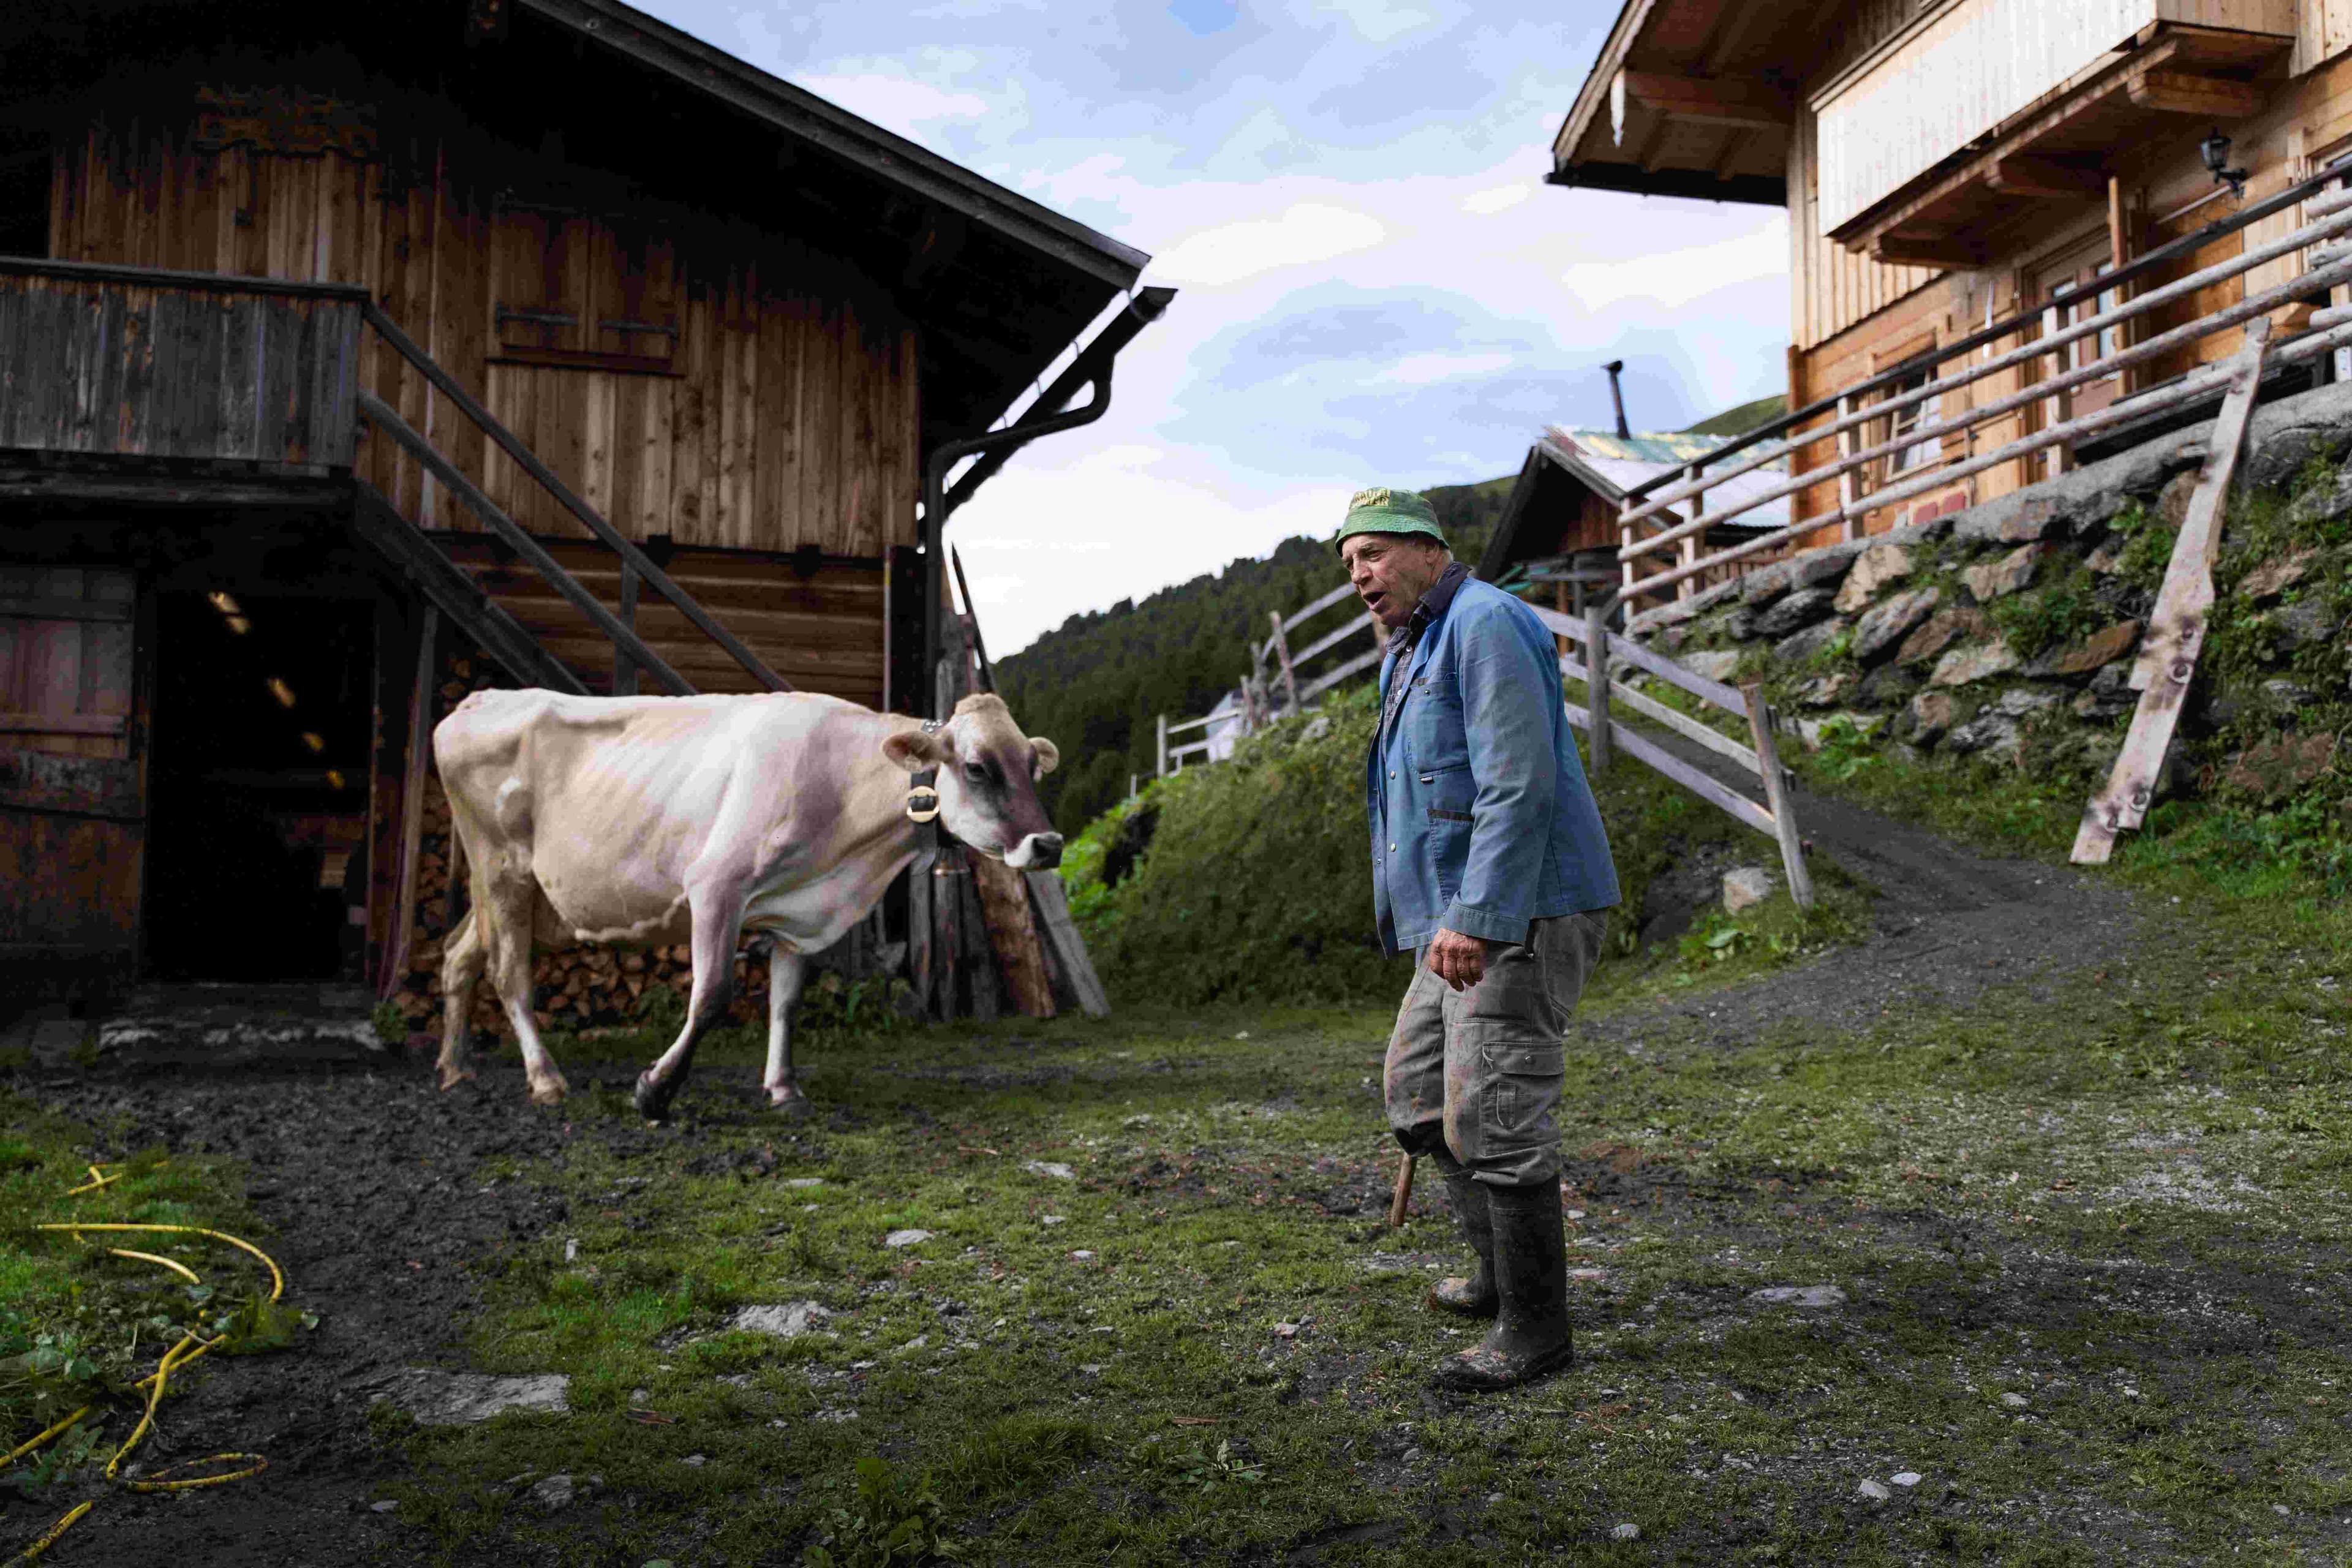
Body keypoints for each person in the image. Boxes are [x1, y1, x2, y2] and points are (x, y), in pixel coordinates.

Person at [1338, 486, 1620, 1392]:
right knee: (1418, 1094)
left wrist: (1475, 914)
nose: (1360, 577)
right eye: (1349, 564)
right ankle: (1499, 1278)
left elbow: (1518, 785)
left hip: (1518, 908)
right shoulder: (1412, 649)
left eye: (1372, 555)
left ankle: (1536, 1333)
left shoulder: (1486, 623)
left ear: (1428, 548)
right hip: (1455, 919)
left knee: (1494, 1110)